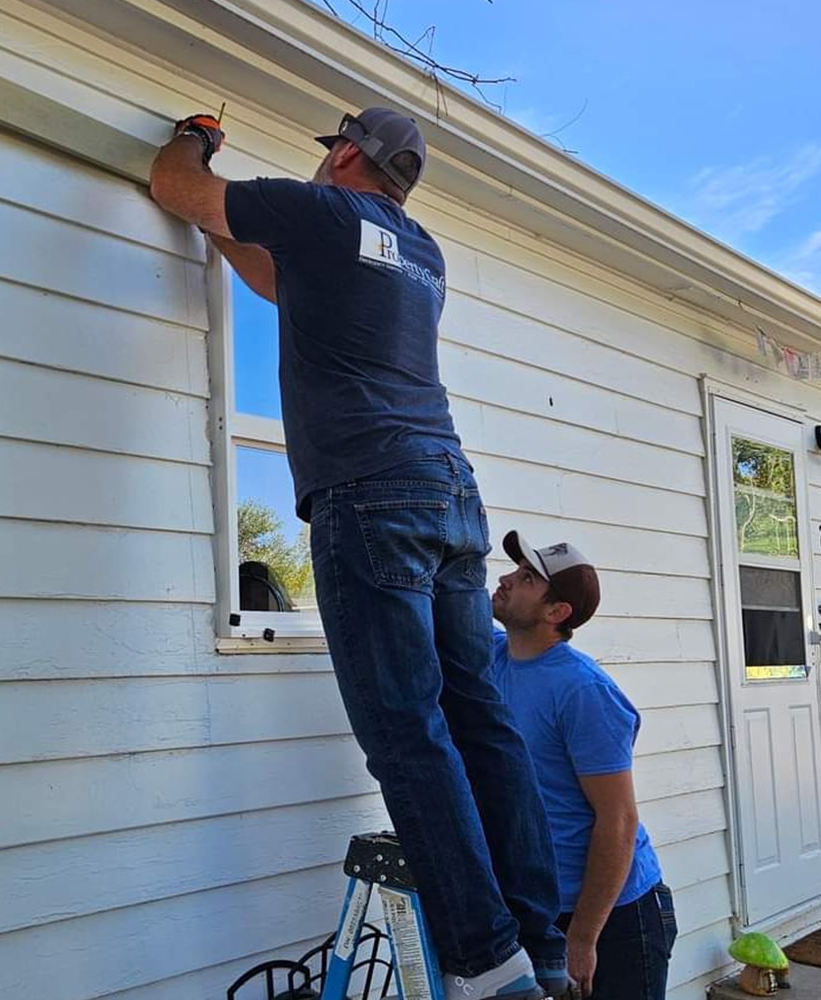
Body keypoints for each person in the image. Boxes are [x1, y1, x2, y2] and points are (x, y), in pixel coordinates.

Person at [149, 107, 566, 1000]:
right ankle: (541, 943)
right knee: (477, 719)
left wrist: (195, 140)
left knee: (408, 735)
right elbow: (273, 281)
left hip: (371, 491)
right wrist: (212, 227)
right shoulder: (421, 254)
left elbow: (176, 186)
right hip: (450, 492)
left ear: (343, 155)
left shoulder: (324, 212)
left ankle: (487, 965)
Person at [491, 530, 678, 999]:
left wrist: (583, 938)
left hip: (614, 918)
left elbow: (618, 819)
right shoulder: (494, 658)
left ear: (557, 613)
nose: (507, 578)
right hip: (539, 910)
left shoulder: (583, 691)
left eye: (527, 577)